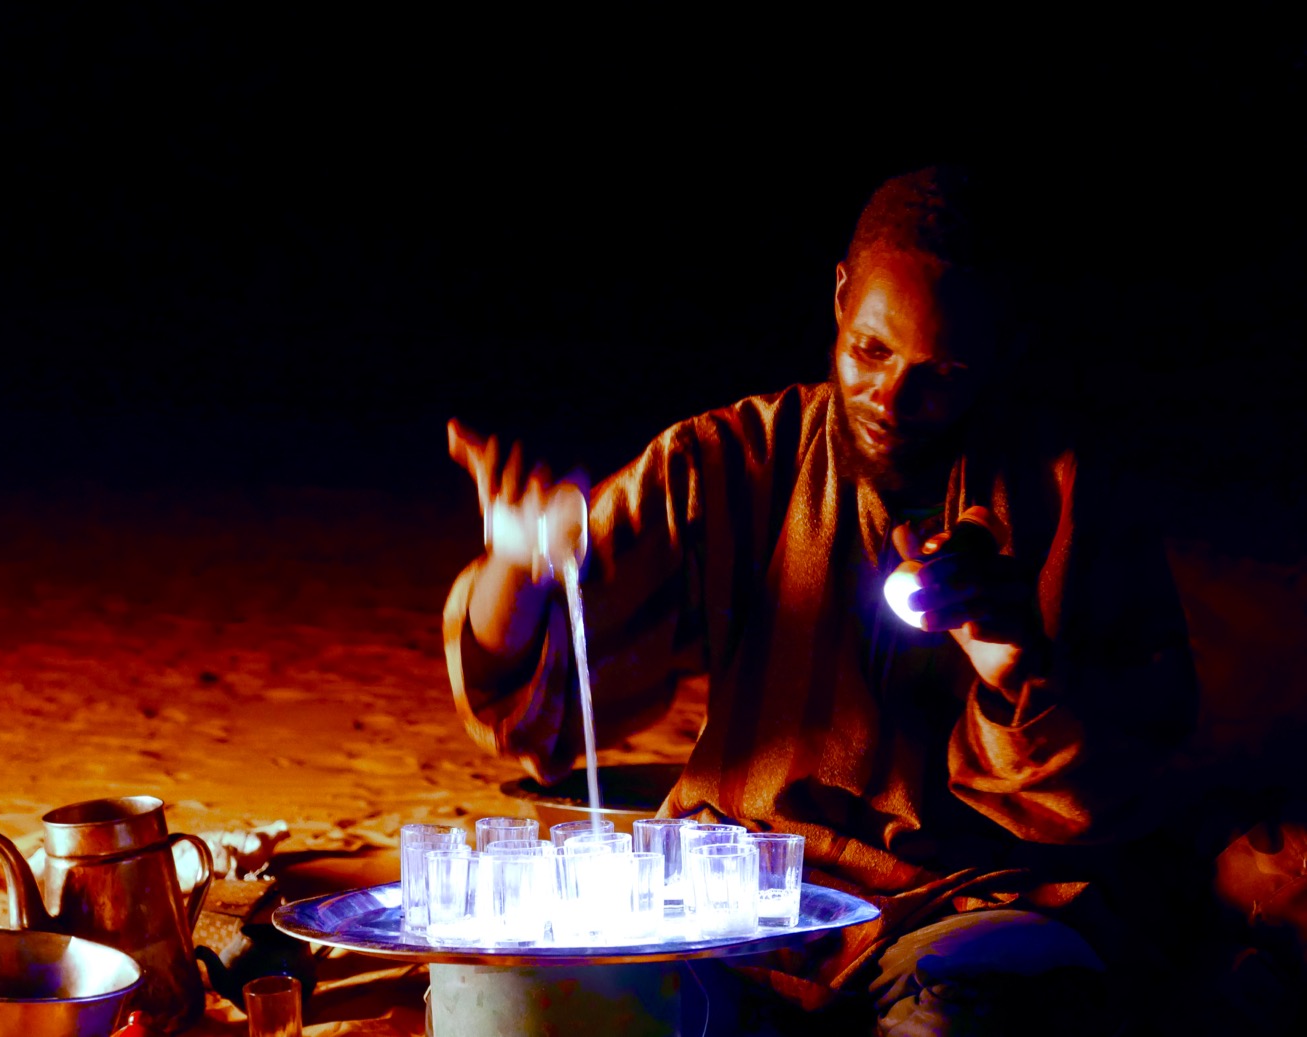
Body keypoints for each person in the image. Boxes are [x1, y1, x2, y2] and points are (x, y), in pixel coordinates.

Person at [442, 166, 1214, 1035]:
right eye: (870, 351)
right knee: (499, 1003)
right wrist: (515, 567)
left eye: (940, 372)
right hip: (725, 893)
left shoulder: (1072, 500)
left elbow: (1125, 785)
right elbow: (542, 698)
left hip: (959, 905)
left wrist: (1012, 662)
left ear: (999, 353)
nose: (892, 399)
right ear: (840, 296)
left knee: (976, 1012)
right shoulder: (731, 456)